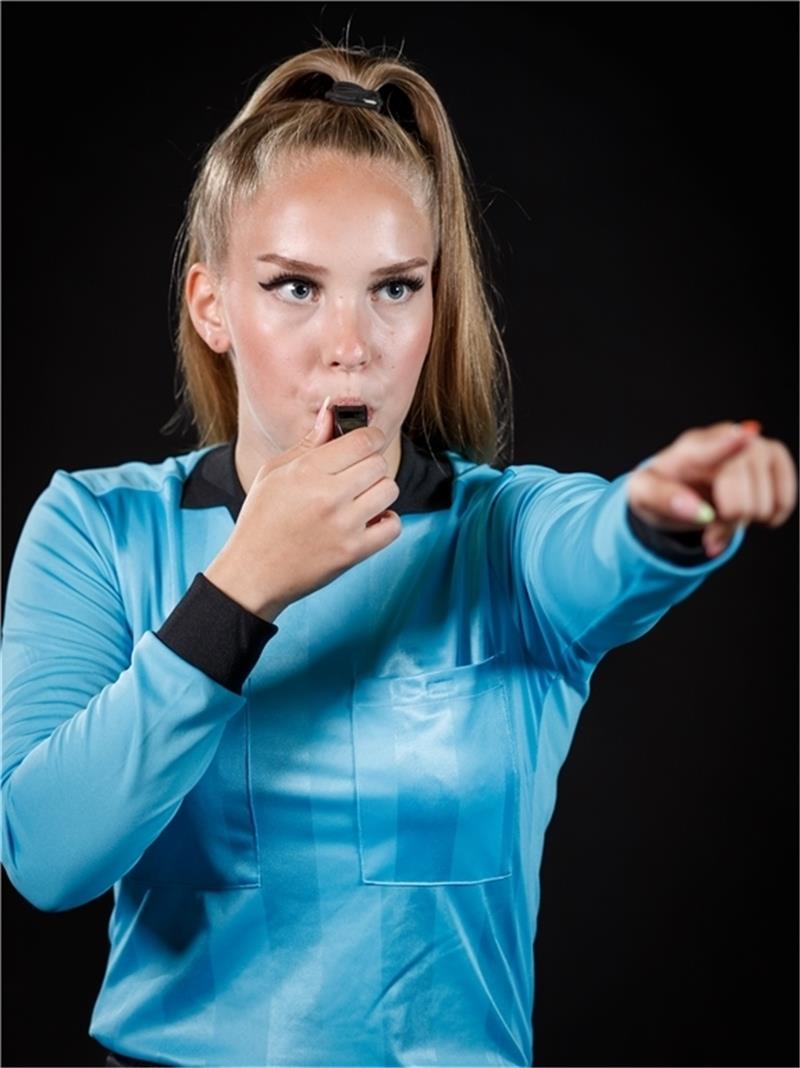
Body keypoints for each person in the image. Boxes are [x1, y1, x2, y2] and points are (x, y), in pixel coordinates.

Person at [1, 41, 796, 1068]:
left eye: (393, 289)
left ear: (431, 306)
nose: (352, 344)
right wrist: (241, 588)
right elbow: (50, 855)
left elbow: (595, 547)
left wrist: (661, 514)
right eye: (294, 287)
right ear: (212, 307)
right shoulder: (96, 530)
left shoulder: (499, 535)